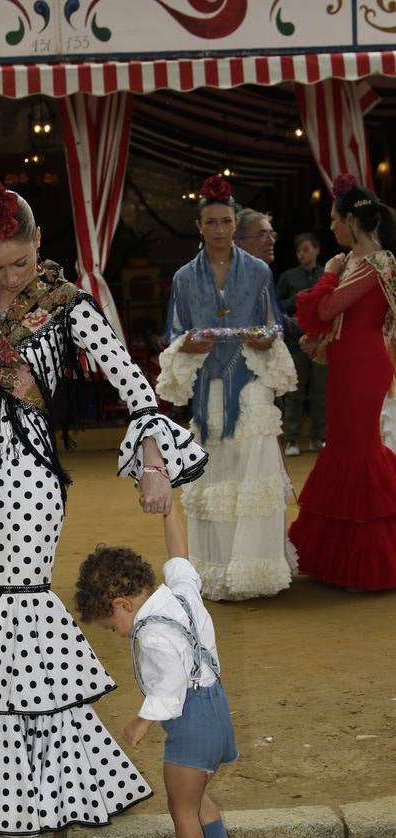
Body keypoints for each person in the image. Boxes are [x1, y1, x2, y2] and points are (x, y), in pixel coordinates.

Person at [0, 181, 208, 835]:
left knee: (20, 600)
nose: (4, 280)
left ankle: (51, 784)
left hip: (31, 478)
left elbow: (131, 380)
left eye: (18, 264)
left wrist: (151, 463)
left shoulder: (70, 306)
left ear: (39, 245)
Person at [74, 499, 247, 838]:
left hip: (191, 724)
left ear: (123, 604)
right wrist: (170, 513)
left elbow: (170, 685)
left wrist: (142, 721)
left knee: (181, 809)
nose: (117, 633)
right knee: (198, 796)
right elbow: (179, 555)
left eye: (111, 624)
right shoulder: (181, 593)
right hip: (218, 714)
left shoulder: (151, 632)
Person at [157, 176, 297, 602]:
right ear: (199, 226)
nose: (219, 229)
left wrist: (266, 336)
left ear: (236, 225)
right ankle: (217, 570)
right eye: (211, 222)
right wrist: (189, 342)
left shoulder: (257, 271)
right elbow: (174, 332)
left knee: (254, 461)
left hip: (251, 376)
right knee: (217, 471)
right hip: (208, 381)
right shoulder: (184, 277)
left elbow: (274, 322)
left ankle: (256, 570)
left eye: (226, 222)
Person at [290, 173, 396, 590]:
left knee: (358, 450)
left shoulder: (378, 261)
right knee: (347, 448)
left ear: (352, 220)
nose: (331, 226)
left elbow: (328, 307)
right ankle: (343, 561)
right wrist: (322, 343)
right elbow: (334, 321)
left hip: (363, 366)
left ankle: (372, 566)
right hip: (348, 362)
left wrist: (329, 272)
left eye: (335, 219)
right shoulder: (359, 262)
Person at [276, 233, 326, 456]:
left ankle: (318, 437)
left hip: (322, 341)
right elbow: (276, 308)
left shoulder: (328, 274)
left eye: (306, 249)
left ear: (316, 249)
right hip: (295, 342)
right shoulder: (288, 277)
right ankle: (292, 439)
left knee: (320, 392)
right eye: (299, 251)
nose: (302, 254)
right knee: (294, 393)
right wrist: (296, 298)